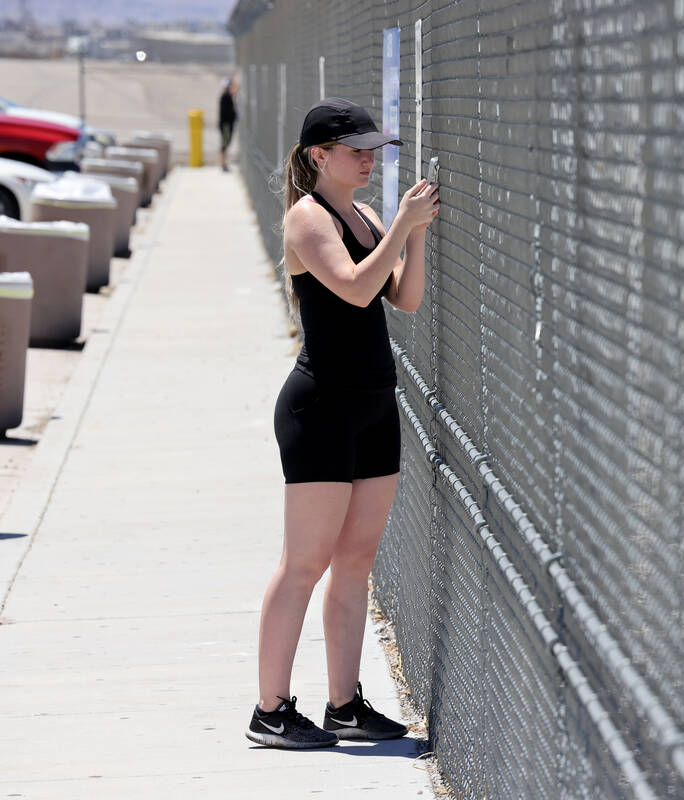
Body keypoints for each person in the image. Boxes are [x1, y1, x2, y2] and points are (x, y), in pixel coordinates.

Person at [246, 97, 440, 749]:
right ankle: (271, 709)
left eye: (372, 150)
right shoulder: (307, 219)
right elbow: (355, 287)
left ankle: (344, 704)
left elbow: (402, 299)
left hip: (373, 403)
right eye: (355, 150)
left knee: (355, 561)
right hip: (320, 407)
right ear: (317, 157)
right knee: (304, 562)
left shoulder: (365, 214)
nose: (366, 159)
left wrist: (413, 234)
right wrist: (400, 227)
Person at [218, 77, 238, 172]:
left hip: (226, 124)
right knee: (224, 144)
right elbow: (228, 112)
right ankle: (223, 164)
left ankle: (223, 163)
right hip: (226, 125)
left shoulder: (227, 96)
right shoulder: (226, 96)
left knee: (225, 144)